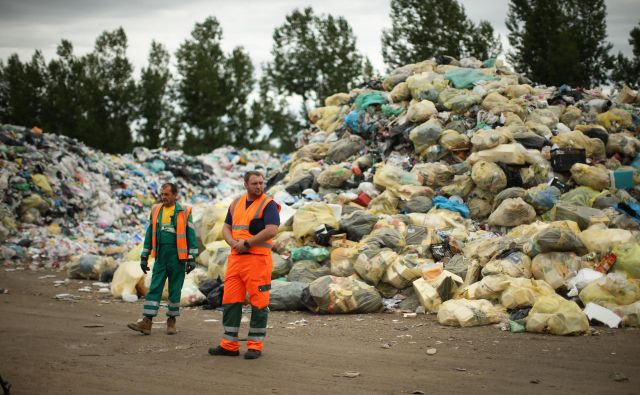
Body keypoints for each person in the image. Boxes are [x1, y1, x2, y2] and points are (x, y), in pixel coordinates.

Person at [209, 171, 280, 360]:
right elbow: (226, 227)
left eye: (261, 183)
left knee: (259, 302)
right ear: (246, 185)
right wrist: (232, 242)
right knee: (230, 301)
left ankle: (255, 345)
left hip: (257, 259)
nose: (259, 186)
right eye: (255, 183)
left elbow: (272, 229)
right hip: (236, 259)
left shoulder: (268, 204)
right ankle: (229, 345)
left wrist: (247, 243)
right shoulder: (236, 203)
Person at [128, 182, 198, 335]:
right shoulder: (156, 210)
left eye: (167, 195)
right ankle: (147, 322)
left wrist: (192, 258)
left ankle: (171, 320)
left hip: (178, 258)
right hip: (160, 256)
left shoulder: (184, 212)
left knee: (174, 290)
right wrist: (144, 256)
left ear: (175, 195)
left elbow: (191, 236)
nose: (164, 197)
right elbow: (149, 234)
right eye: (162, 194)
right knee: (155, 288)